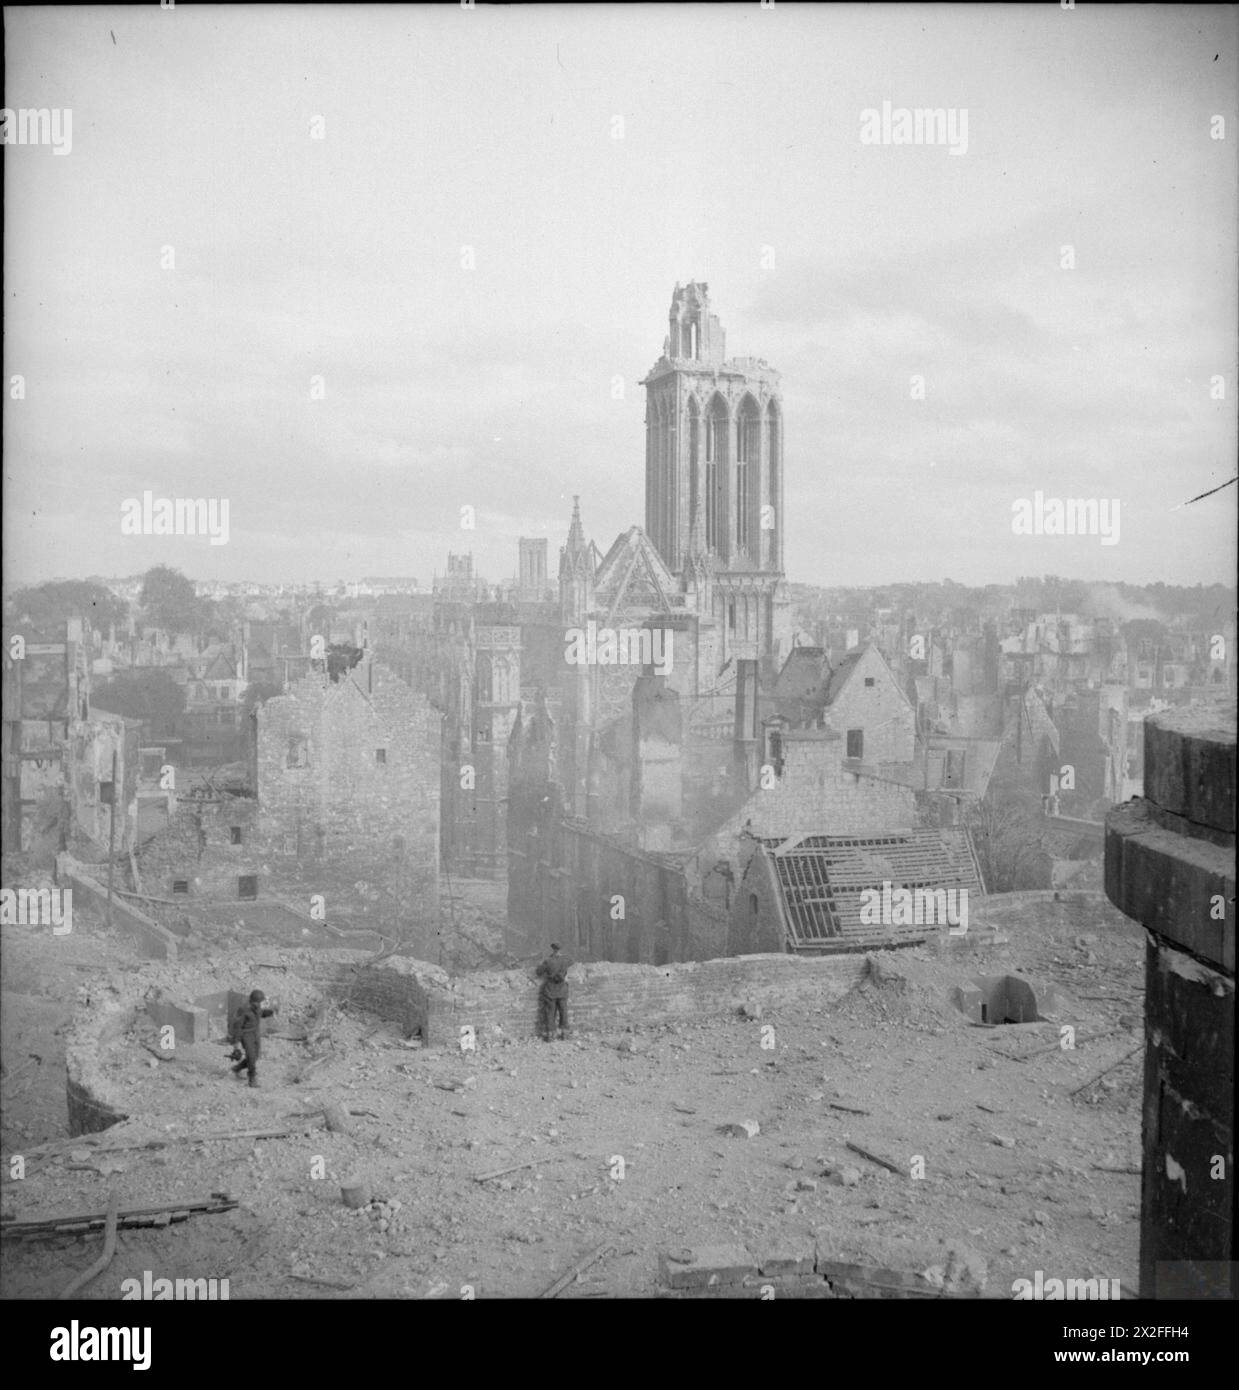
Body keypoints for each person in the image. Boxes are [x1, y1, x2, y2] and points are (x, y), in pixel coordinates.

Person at [228, 989, 277, 1088]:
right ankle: (252, 1078)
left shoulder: (257, 1008)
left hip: (255, 1033)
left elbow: (261, 1013)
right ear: (254, 1002)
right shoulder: (244, 1009)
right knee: (251, 1056)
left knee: (256, 1056)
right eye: (259, 1002)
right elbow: (238, 1027)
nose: (260, 1004)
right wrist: (236, 1044)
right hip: (246, 1035)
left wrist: (270, 1013)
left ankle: (237, 1068)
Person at [535, 943, 571, 1041]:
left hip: (550, 990)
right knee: (563, 1011)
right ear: (560, 950)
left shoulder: (548, 961)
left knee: (550, 1012)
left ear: (553, 950)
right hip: (562, 989)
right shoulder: (565, 960)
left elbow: (538, 972)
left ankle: (551, 1035)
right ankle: (565, 1033)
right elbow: (571, 963)